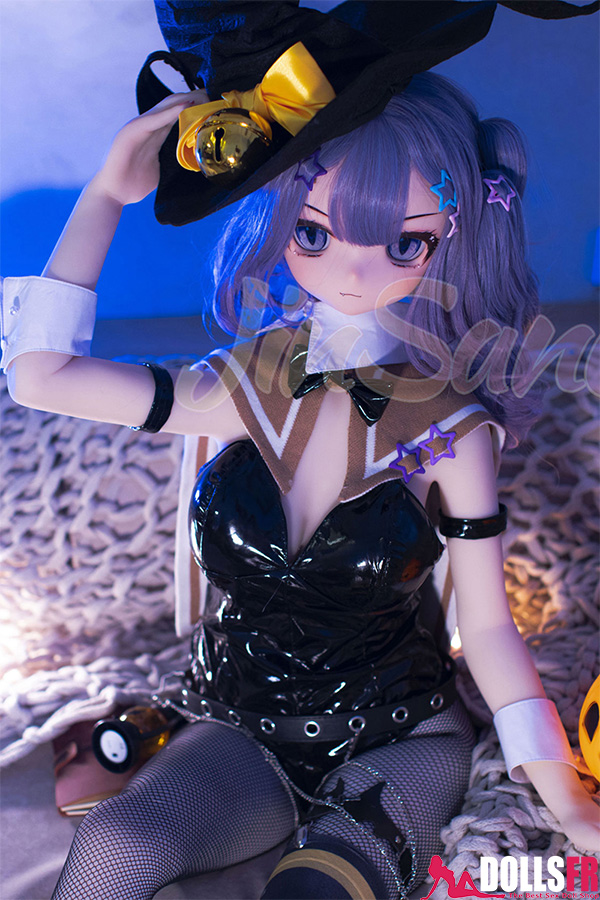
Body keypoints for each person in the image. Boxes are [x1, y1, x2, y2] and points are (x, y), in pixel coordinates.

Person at [2, 2, 599, 898]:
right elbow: (41, 377)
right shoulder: (242, 382)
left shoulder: (452, 430)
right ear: (283, 215)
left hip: (400, 736)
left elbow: (486, 628)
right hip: (240, 730)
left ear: (452, 236)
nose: (353, 271)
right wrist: (105, 197)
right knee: (114, 849)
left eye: (404, 242)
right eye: (316, 232)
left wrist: (565, 796)